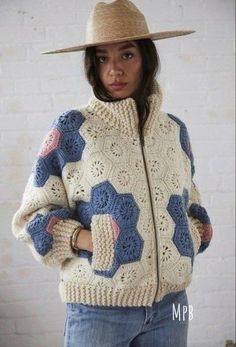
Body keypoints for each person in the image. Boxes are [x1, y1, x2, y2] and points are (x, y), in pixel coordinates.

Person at [12, 0, 213, 346]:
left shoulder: (174, 131)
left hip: (173, 308)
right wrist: (87, 240)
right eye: (102, 58)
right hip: (97, 309)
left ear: (146, 59)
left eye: (126, 55)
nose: (114, 70)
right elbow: (31, 218)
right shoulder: (72, 129)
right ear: (92, 64)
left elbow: (189, 202)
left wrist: (192, 235)